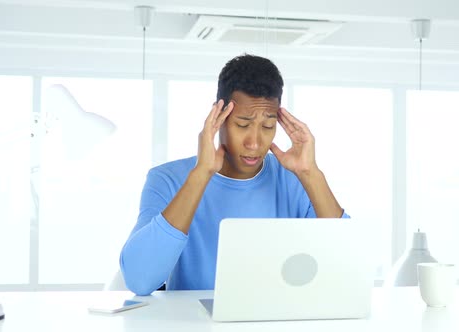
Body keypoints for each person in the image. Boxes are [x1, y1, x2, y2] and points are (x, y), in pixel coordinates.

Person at [120, 54, 349, 296]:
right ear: (218, 117)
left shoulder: (295, 180)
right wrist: (201, 174)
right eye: (242, 124)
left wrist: (310, 173)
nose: (254, 143)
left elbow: (346, 265)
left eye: (268, 127)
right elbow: (139, 280)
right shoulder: (166, 179)